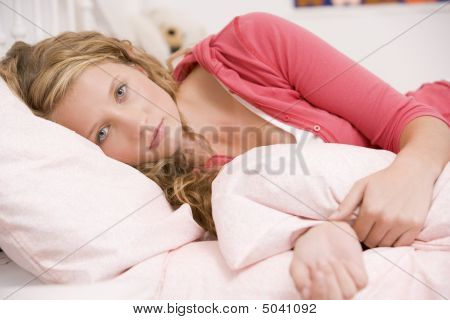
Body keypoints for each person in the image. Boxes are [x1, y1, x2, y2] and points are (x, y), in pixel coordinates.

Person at [1, 12, 449, 299]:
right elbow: (277, 222)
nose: (138, 124)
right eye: (102, 132)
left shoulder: (251, 45)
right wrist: (322, 234)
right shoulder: (159, 193)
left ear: (134, 60)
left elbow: (407, 120)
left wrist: (412, 169)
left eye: (121, 91)